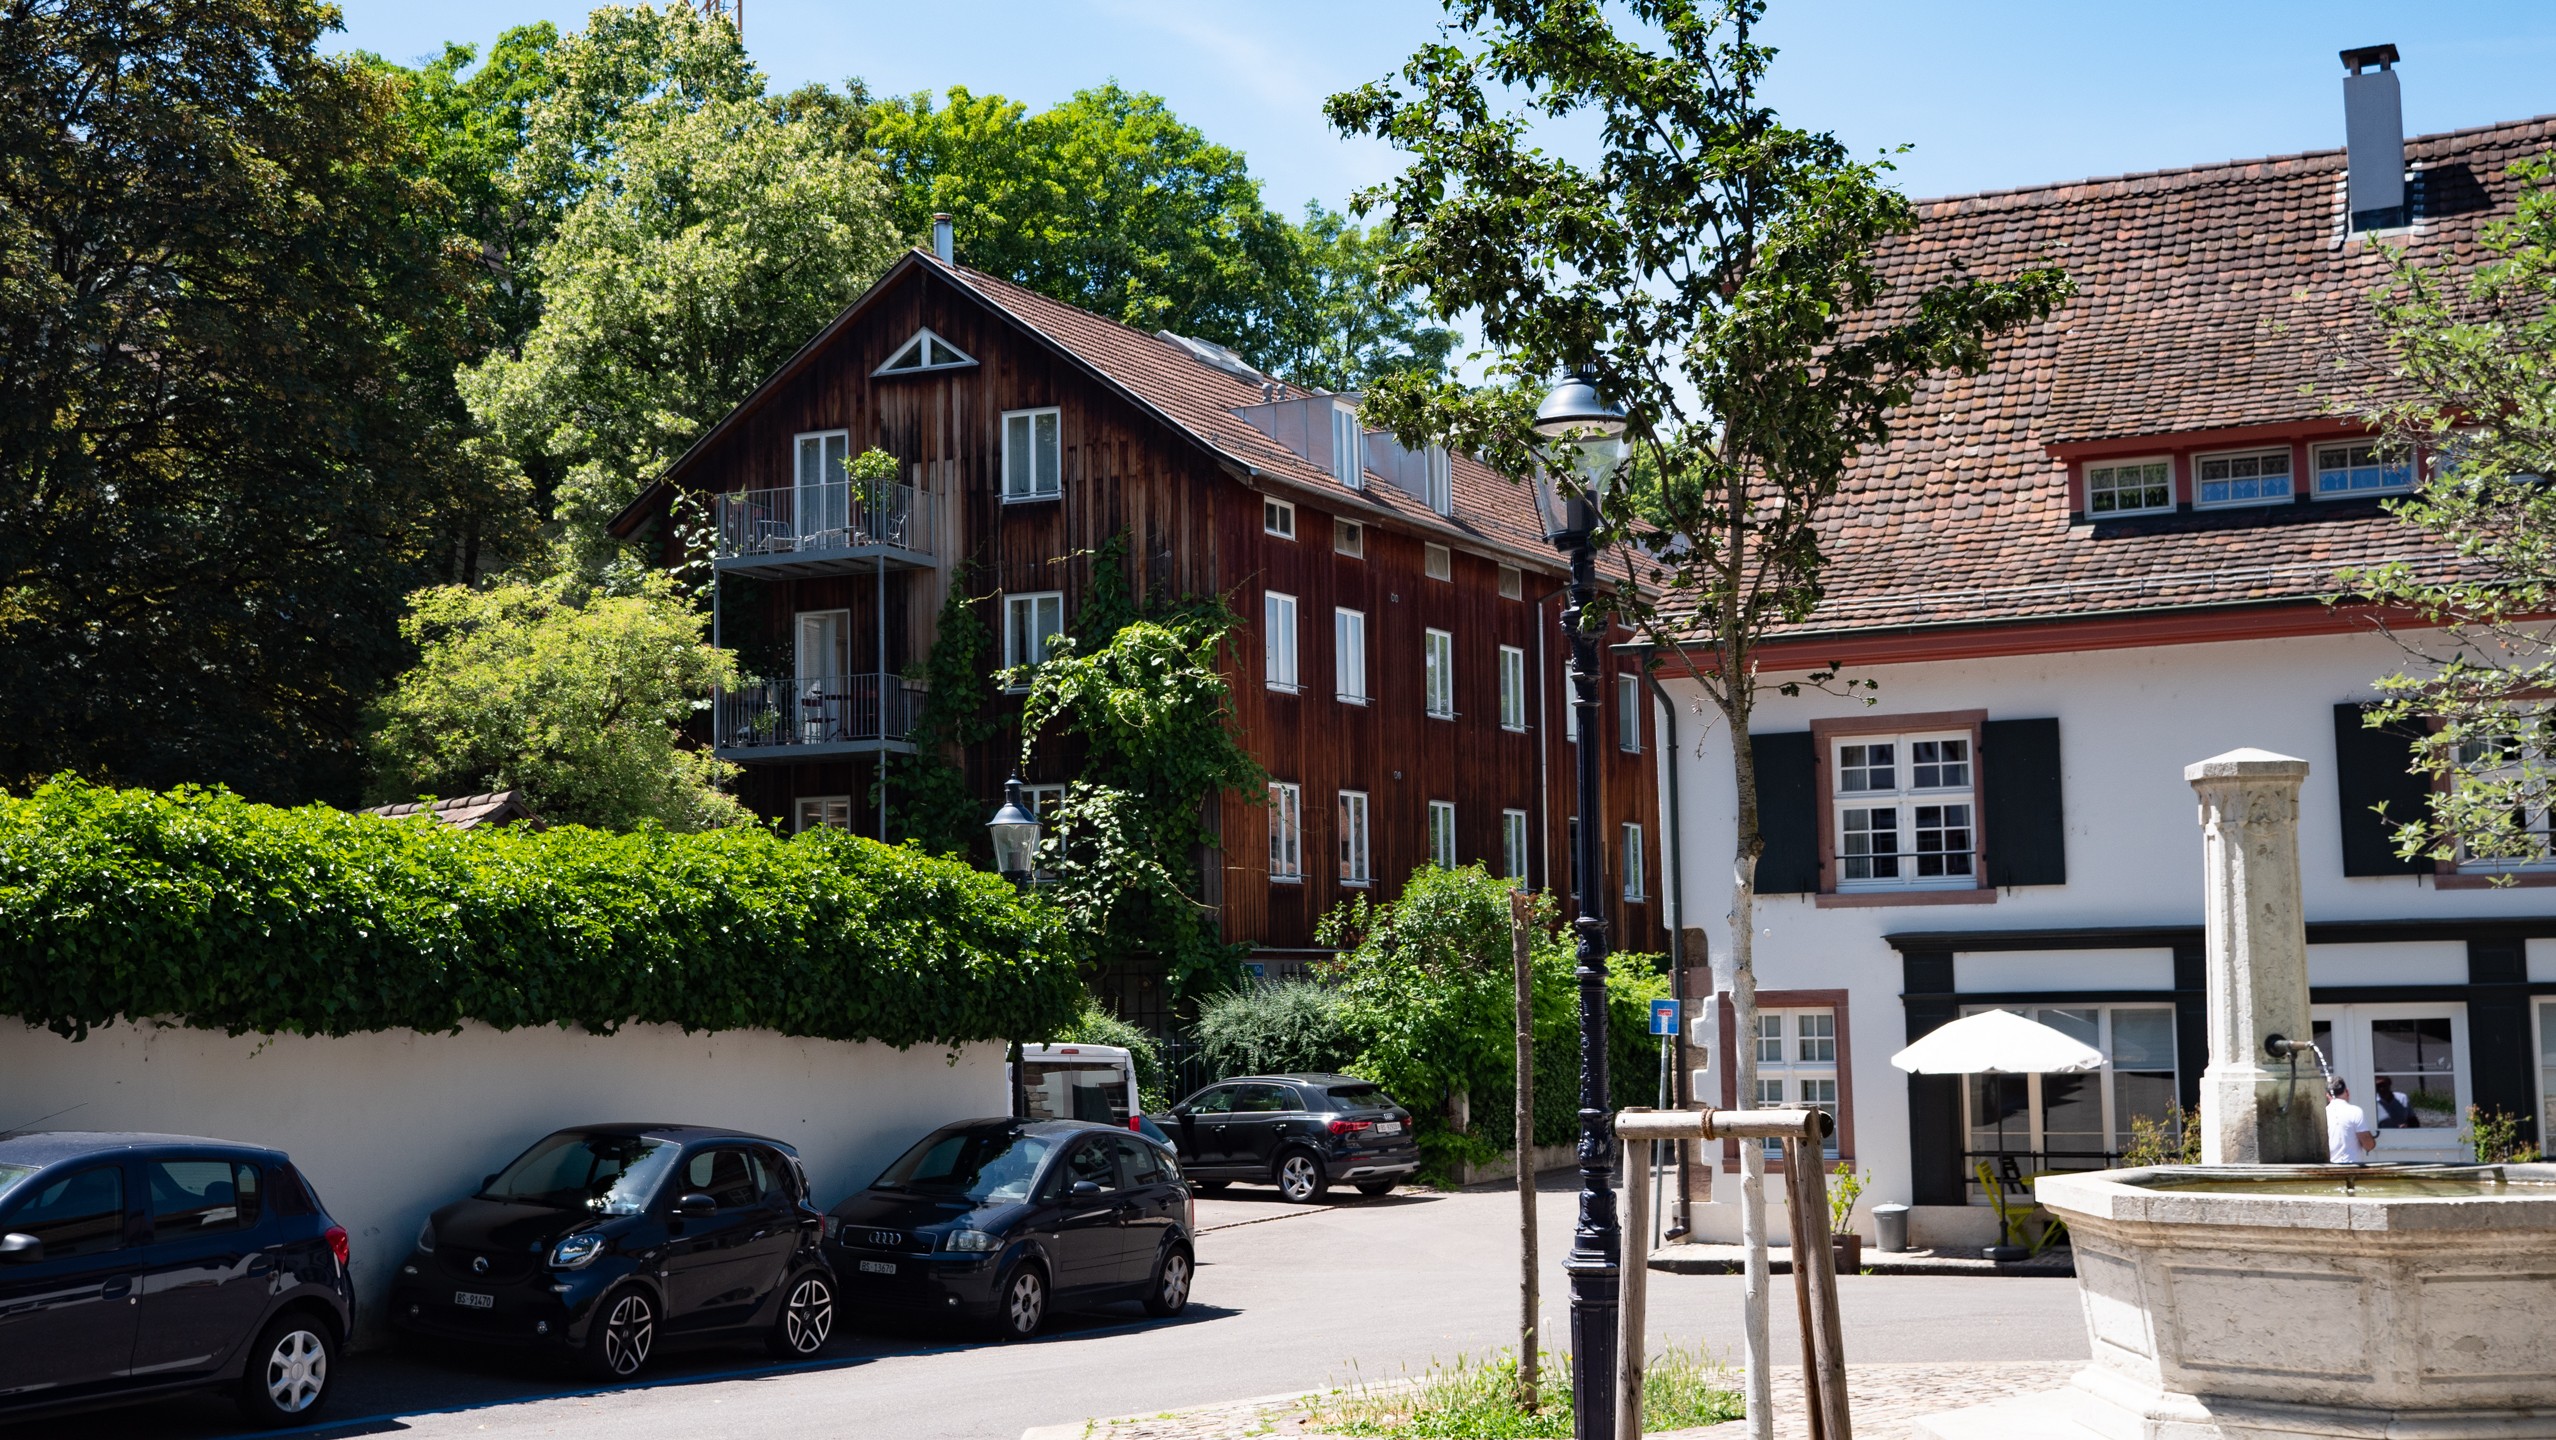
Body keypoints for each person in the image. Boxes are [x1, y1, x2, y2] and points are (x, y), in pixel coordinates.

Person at [2327, 1077, 2377, 1163]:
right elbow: (2368, 1145)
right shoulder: (2355, 1112)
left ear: (2327, 1095)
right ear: (2347, 1092)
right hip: (2351, 1166)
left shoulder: (2323, 1113)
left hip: (2329, 1166)